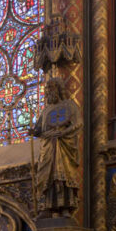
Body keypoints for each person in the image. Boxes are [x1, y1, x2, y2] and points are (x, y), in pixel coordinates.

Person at [31, 77, 81, 217]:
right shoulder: (46, 110)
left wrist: (63, 132)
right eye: (46, 90)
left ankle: (65, 207)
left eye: (51, 88)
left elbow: (78, 124)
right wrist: (34, 131)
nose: (48, 92)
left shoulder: (69, 106)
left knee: (62, 175)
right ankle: (47, 207)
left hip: (63, 145)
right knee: (46, 176)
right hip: (47, 146)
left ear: (58, 89)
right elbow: (39, 129)